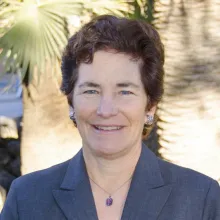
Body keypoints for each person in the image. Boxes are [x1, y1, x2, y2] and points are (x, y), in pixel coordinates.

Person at [1, 15, 220, 220]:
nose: (106, 110)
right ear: (71, 102)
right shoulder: (27, 198)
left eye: (125, 92)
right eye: (91, 91)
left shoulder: (200, 199)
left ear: (150, 106)